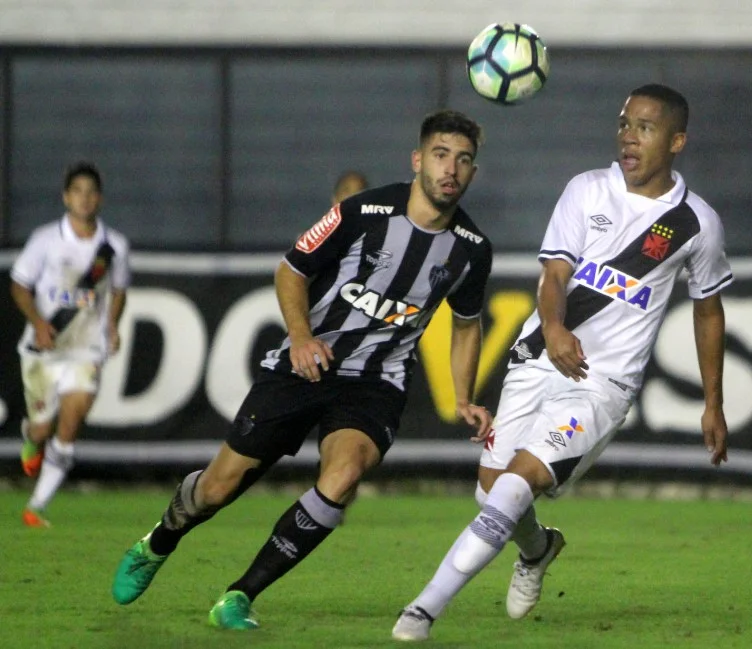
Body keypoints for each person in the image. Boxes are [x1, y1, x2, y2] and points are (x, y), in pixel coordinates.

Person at [110, 110, 494, 629]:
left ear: (472, 171)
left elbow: (467, 325)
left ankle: (240, 596)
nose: (451, 168)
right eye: (442, 154)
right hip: (307, 363)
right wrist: (300, 337)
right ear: (418, 159)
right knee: (218, 488)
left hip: (376, 381)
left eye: (464, 159)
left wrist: (464, 395)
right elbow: (292, 268)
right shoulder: (363, 211)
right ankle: (160, 539)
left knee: (344, 476)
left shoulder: (471, 250)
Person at [392, 83, 733, 642]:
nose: (628, 135)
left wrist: (713, 402)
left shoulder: (695, 223)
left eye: (645, 128)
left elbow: (708, 311)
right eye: (624, 123)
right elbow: (554, 276)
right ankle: (539, 548)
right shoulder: (586, 190)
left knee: (511, 490)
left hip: (602, 384)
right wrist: (553, 328)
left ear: (676, 141)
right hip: (536, 358)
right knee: (490, 489)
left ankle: (424, 609)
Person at [11, 161, 131, 528]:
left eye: (91, 192)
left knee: (73, 416)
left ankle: (37, 506)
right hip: (45, 347)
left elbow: (119, 291)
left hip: (86, 348)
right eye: (77, 191)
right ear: (66, 197)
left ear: (100, 199)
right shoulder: (45, 239)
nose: (84, 199)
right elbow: (19, 285)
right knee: (43, 426)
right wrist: (37, 322)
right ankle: (31, 437)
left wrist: (111, 324)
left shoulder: (113, 246)